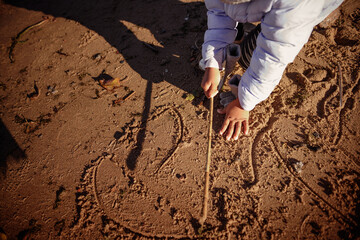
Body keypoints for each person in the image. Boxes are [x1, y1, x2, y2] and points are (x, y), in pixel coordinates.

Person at [201, 0, 343, 141]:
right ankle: (251, 23)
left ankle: (325, 13)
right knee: (240, 24)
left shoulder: (294, 7)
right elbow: (218, 11)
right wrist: (213, 61)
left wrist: (243, 103)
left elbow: (272, 57)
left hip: (295, 14)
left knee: (247, 58)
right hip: (274, 11)